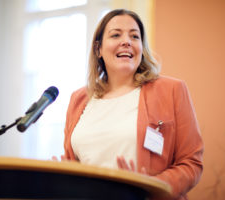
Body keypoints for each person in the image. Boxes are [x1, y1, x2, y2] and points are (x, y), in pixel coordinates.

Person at [61, 9, 204, 200]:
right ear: (98, 49)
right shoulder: (78, 99)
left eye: (134, 36)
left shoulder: (171, 90)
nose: (126, 41)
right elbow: (74, 166)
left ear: (141, 48)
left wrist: (150, 188)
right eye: (116, 34)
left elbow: (191, 163)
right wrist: (63, 176)